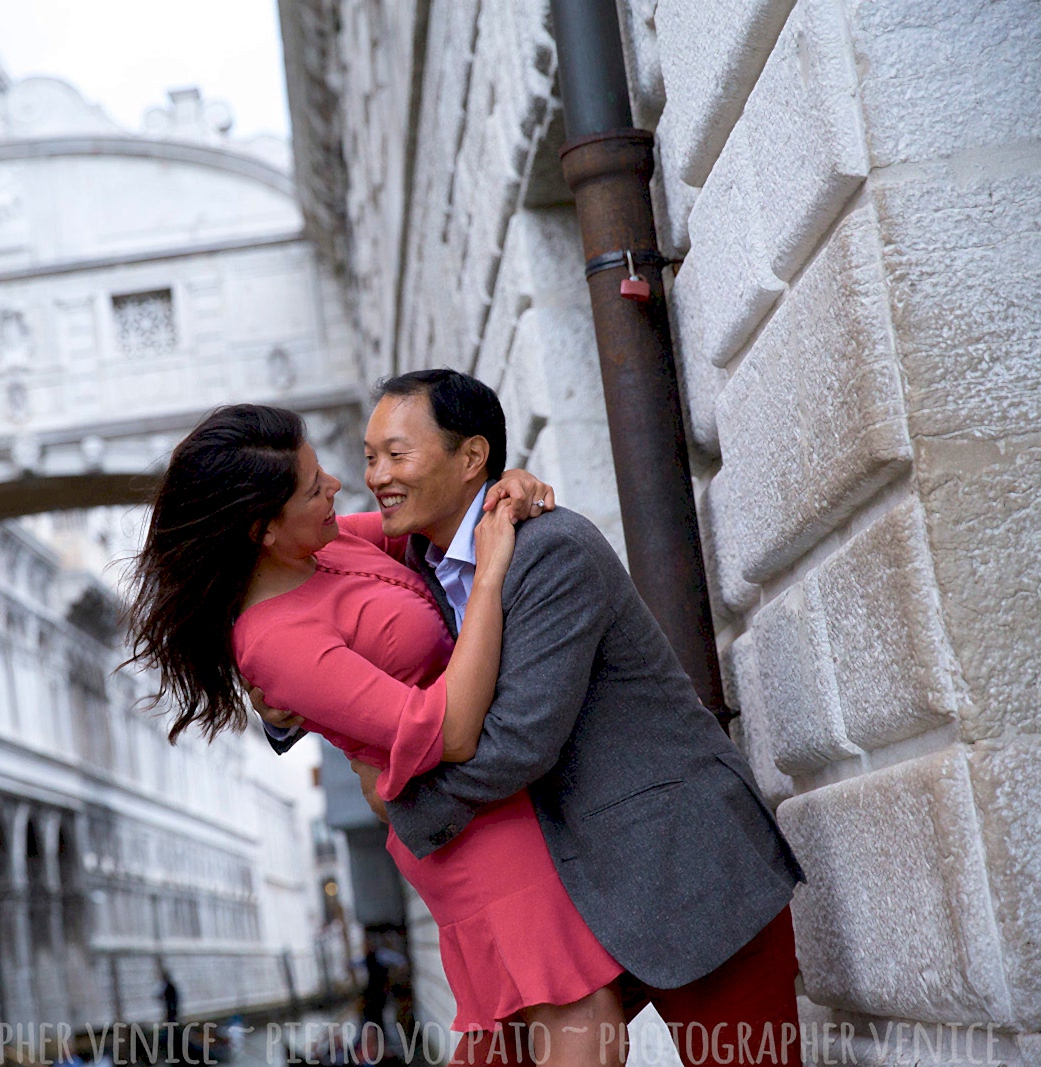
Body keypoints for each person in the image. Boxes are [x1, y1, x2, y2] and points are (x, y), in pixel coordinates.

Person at [255, 370, 806, 1067]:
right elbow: (287, 597)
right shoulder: (412, 558)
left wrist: (408, 811)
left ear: (470, 457)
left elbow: (518, 742)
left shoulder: (553, 551)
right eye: (370, 457)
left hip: (682, 868)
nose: (373, 476)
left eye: (396, 454)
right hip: (564, 891)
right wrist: (275, 700)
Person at [125, 404, 625, 1067]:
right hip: (470, 831)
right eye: (312, 486)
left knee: (519, 1038)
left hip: (497, 801)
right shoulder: (274, 643)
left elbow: (427, 529)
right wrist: (493, 572)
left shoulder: (324, 546)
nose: (336, 484)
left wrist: (503, 491)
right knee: (583, 1021)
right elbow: (447, 732)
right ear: (262, 529)